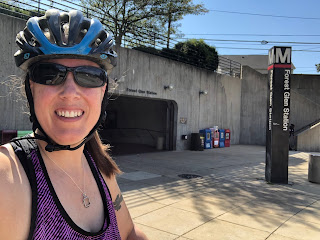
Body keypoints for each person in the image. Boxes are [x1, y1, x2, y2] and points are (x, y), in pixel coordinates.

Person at [0, 9, 149, 240]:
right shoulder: (7, 178)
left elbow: (129, 232)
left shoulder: (100, 167)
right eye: (50, 75)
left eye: (89, 76)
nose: (70, 93)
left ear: (103, 92)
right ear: (31, 88)